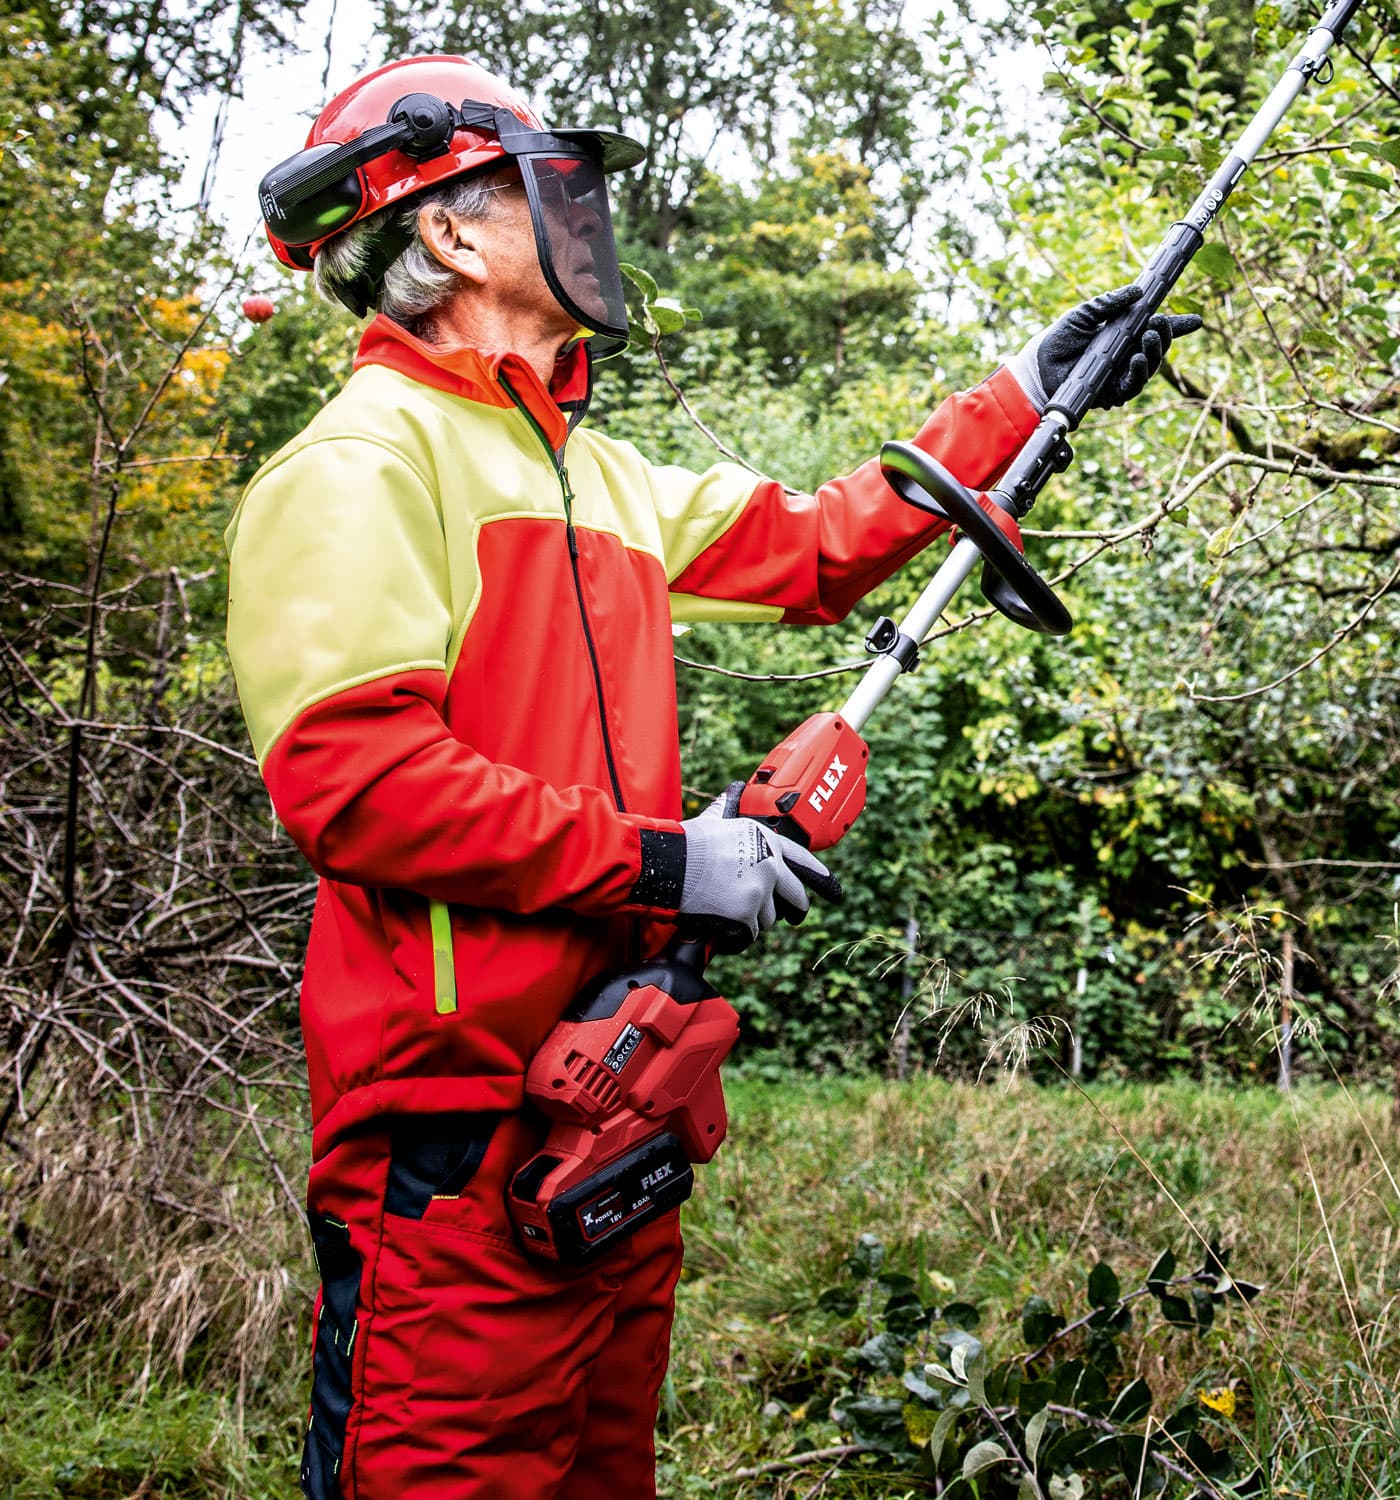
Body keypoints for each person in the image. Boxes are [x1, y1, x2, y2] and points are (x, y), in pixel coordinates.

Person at [230, 53, 1198, 1500]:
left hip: (614, 1106)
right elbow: (357, 784)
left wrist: (1024, 394)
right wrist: (675, 863)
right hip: (449, 1141)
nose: (587, 217)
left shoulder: (594, 475)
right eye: (544, 186)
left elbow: (822, 541)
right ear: (447, 231)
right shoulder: (360, 466)